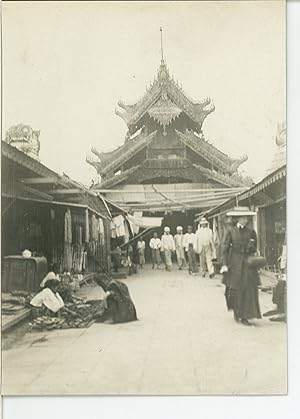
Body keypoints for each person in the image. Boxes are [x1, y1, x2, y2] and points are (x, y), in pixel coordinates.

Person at [220, 206, 261, 326]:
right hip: (234, 264)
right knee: (235, 290)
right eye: (243, 218)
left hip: (248, 264)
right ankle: (237, 312)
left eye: (247, 218)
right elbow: (225, 249)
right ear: (237, 219)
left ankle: (245, 316)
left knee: (248, 289)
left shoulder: (251, 232)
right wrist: (224, 264)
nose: (245, 220)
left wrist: (251, 246)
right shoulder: (231, 231)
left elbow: (254, 248)